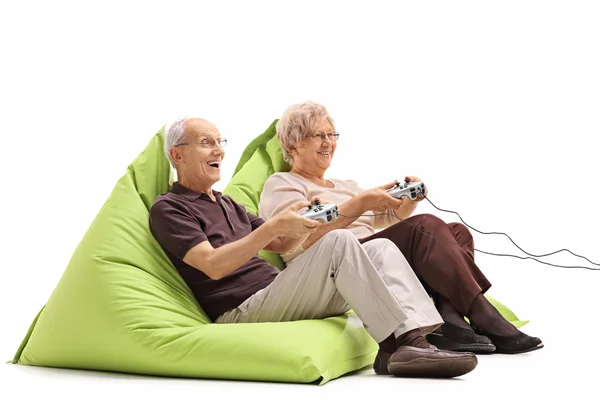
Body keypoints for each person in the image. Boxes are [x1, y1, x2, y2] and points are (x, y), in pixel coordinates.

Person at [149, 117, 478, 379]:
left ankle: (410, 342)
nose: (219, 151)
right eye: (206, 143)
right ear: (177, 154)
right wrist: (277, 228)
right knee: (341, 241)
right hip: (240, 309)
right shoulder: (170, 208)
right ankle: (402, 346)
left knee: (379, 248)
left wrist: (302, 223)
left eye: (220, 142)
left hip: (278, 292)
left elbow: (280, 243)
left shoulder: (228, 203)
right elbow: (212, 265)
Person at [258, 101, 544, 355]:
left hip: (378, 256)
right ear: (293, 146)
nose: (328, 142)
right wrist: (360, 203)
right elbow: (300, 239)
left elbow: (390, 223)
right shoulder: (283, 183)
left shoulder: (346, 186)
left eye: (331, 135)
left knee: (455, 232)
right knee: (427, 227)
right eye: (318, 136)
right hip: (339, 264)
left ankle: (452, 321)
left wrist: (406, 202)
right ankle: (482, 314)